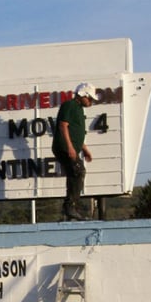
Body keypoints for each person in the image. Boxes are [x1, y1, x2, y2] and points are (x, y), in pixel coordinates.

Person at [52, 82, 97, 221]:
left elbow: (75, 133)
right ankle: (70, 206)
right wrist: (70, 147)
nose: (91, 102)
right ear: (83, 95)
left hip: (69, 147)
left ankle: (71, 207)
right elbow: (63, 126)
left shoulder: (78, 109)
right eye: (89, 98)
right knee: (78, 171)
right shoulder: (70, 105)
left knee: (75, 172)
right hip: (63, 147)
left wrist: (85, 149)